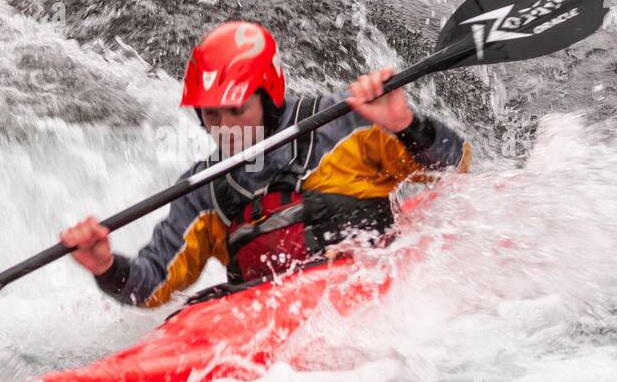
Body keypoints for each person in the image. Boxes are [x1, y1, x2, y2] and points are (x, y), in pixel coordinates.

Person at [60, 21, 470, 307]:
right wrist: (106, 266)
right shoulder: (205, 190)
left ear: (269, 96)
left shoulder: (346, 121)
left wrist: (404, 125)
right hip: (266, 314)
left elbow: (457, 168)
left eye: (236, 110)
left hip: (370, 287)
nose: (223, 128)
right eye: (210, 115)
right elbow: (154, 284)